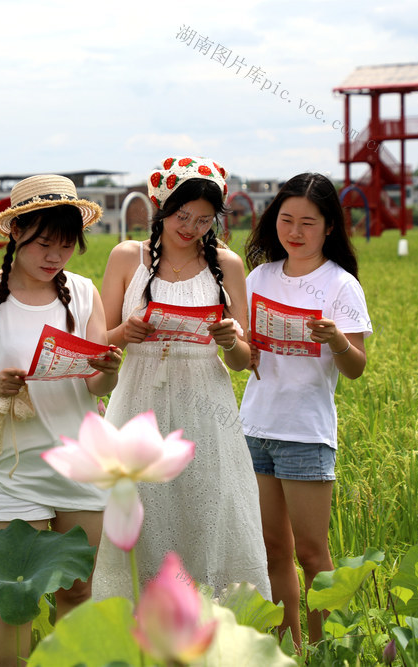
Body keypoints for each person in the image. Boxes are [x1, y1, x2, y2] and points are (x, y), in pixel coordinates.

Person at [0, 175, 121, 667]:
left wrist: (108, 370)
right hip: (14, 465)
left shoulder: (83, 293)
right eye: (44, 243)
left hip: (79, 460)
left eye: (66, 245)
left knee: (77, 590)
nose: (55, 256)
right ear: (15, 232)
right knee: (17, 596)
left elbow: (95, 387)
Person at [91, 156, 270, 602]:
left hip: (205, 407)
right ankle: (137, 621)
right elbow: (98, 343)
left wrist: (229, 341)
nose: (190, 228)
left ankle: (209, 619)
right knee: (141, 511)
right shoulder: (127, 256)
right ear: (162, 206)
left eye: (204, 220)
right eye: (182, 216)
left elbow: (244, 359)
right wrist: (125, 333)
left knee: (205, 510)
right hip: (138, 401)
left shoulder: (227, 265)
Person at [239, 172, 371, 650]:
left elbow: (355, 368)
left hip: (306, 434)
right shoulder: (259, 278)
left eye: (308, 223)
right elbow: (243, 351)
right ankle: (289, 650)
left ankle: (327, 650)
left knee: (313, 555)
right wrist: (239, 346)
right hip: (255, 428)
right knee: (273, 549)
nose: (294, 232)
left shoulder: (340, 285)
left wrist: (336, 339)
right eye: (286, 220)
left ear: (329, 227)